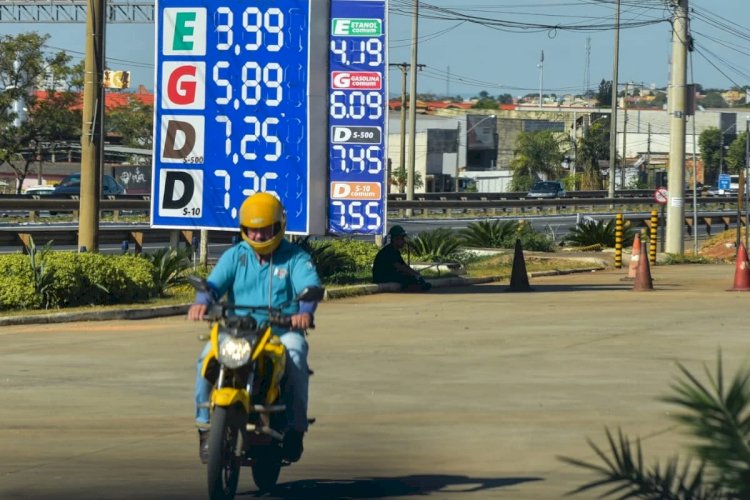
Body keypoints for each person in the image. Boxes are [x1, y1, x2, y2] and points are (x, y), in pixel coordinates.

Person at [187, 192, 322, 464]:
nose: (258, 236)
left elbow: (310, 290)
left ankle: (296, 429)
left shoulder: (296, 258)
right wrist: (202, 303)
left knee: (296, 359)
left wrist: (304, 314)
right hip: (238, 332)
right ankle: (204, 428)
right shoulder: (235, 256)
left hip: (280, 334)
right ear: (244, 228)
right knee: (206, 359)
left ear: (278, 226)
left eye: (264, 230)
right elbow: (212, 287)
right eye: (253, 230)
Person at [372, 225, 432, 292]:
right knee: (407, 278)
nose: (404, 241)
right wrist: (415, 274)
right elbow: (400, 267)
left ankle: (419, 287)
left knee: (409, 276)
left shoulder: (395, 251)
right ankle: (417, 288)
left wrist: (416, 273)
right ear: (395, 239)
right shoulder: (389, 252)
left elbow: (404, 265)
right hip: (382, 278)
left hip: (389, 275)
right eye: (402, 239)